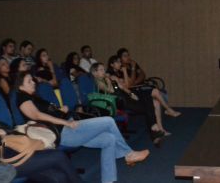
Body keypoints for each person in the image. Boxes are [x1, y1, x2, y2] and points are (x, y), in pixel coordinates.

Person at [15, 71, 149, 183]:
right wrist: (65, 122)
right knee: (108, 121)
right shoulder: (21, 98)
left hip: (69, 126)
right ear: (20, 86)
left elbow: (45, 112)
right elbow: (36, 115)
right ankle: (128, 153)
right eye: (29, 81)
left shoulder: (34, 97)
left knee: (109, 139)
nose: (33, 82)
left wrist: (60, 110)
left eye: (32, 80)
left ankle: (108, 180)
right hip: (63, 132)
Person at [0, 84, 82, 183]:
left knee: (59, 177)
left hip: (14, 149)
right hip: (0, 161)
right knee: (58, 156)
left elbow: (8, 128)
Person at [92, 62, 166, 145]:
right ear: (95, 73)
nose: (104, 71)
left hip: (125, 97)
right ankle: (154, 129)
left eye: (104, 69)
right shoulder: (98, 82)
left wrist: (131, 94)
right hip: (119, 102)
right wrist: (109, 80)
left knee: (147, 97)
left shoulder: (109, 78)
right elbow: (111, 90)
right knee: (147, 106)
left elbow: (121, 87)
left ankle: (154, 129)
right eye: (101, 70)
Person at [108, 55, 180, 118]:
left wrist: (124, 72)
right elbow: (127, 86)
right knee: (153, 99)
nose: (120, 63)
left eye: (120, 62)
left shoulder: (120, 72)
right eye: (117, 62)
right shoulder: (111, 75)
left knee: (155, 91)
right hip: (126, 96)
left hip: (133, 91)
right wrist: (124, 72)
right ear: (112, 65)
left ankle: (168, 110)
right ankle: (165, 112)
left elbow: (129, 83)